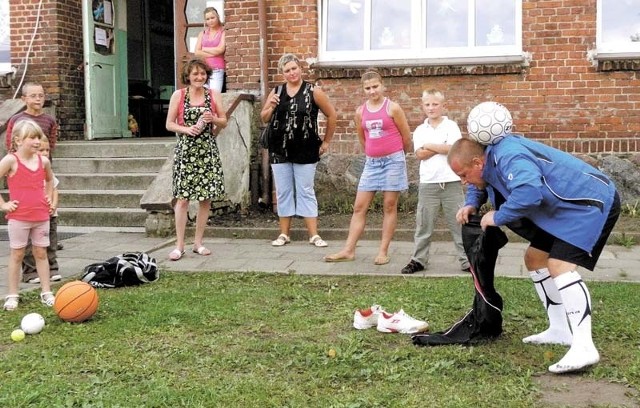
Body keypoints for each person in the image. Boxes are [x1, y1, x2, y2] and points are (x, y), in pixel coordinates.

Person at [448, 108, 620, 373]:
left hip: (590, 203)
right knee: (535, 259)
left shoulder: (508, 155)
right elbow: (479, 182)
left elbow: (529, 192)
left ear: (477, 163)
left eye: (463, 175)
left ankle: (585, 347)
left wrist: (498, 215)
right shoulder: (488, 156)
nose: (463, 181)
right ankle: (561, 329)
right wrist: (472, 203)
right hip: (565, 208)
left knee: (559, 266)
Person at [324, 69, 412, 265]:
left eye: (375, 86)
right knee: (359, 207)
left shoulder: (393, 108)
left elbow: (406, 137)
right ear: (363, 90)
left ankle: (383, 251)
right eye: (368, 88)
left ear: (382, 85)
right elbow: (362, 138)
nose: (372, 91)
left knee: (389, 205)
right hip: (372, 163)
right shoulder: (360, 112)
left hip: (393, 161)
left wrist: (397, 156)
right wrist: (373, 153)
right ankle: (348, 250)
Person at [260, 53, 336, 248]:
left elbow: (331, 114)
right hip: (280, 149)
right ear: (282, 73)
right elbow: (264, 117)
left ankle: (314, 235)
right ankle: (284, 234)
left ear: (300, 69)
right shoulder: (276, 91)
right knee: (284, 191)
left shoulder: (313, 91)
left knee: (305, 190)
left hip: (306, 148)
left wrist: (326, 141)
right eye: (287, 70)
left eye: (294, 68)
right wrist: (271, 106)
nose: (291, 73)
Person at [401, 89, 469, 274]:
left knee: (459, 223)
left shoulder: (451, 126)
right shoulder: (420, 130)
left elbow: (453, 149)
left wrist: (430, 145)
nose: (431, 108)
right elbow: (420, 155)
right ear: (422, 107)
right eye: (428, 104)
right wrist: (441, 146)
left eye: (435, 104)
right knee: (424, 223)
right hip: (429, 184)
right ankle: (419, 259)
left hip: (451, 182)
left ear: (443, 106)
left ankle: (467, 260)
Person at [165, 58, 228, 261]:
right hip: (186, 151)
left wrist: (214, 119)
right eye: (195, 74)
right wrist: (186, 129)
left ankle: (198, 243)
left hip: (207, 150)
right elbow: (169, 124)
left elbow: (224, 121)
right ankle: (179, 245)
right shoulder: (179, 95)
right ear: (188, 77)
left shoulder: (213, 95)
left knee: (205, 198)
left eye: (203, 74)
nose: (200, 77)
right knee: (182, 199)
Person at [1, 120, 56, 311]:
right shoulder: (10, 161)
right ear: (17, 140)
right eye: (32, 137)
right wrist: (3, 204)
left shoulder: (44, 161)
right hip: (18, 217)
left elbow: (50, 181)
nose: (37, 142)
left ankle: (46, 291)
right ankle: (12, 294)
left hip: (41, 216)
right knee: (17, 254)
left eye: (38, 137)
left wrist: (48, 198)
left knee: (41, 253)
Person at [22, 135, 62, 284]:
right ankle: (30, 272)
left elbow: (55, 189)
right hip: (30, 214)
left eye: (47, 150)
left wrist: (53, 204)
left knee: (50, 243)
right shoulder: (26, 171)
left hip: (49, 215)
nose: (45, 153)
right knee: (28, 245)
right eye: (41, 150)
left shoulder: (48, 170)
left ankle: (52, 268)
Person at [6, 82, 58, 160]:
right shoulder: (16, 119)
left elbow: (51, 144)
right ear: (24, 99)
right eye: (33, 96)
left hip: (42, 163)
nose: (38, 99)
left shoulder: (50, 120)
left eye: (41, 96)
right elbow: (10, 144)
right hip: (21, 163)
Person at [194, 7, 225, 93]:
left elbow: (221, 50)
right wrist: (214, 53)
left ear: (218, 17)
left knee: (214, 95)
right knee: (203, 96)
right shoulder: (202, 33)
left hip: (217, 69)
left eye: (212, 18)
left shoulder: (223, 32)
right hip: (203, 69)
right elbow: (197, 52)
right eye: (207, 19)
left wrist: (204, 49)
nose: (210, 21)